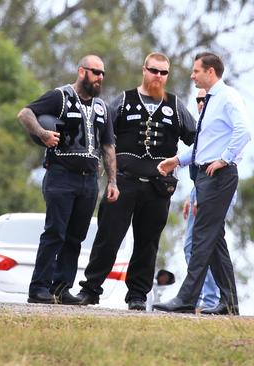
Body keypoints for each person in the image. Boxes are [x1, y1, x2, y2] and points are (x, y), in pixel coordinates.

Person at [74, 52, 196, 310]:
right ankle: (91, 289)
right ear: (144, 70)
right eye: (154, 70)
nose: (158, 76)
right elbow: (103, 133)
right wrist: (104, 171)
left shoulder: (175, 106)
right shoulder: (124, 100)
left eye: (163, 72)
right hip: (124, 182)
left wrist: (180, 165)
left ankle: (137, 295)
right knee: (108, 237)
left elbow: (196, 140)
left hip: (158, 187)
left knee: (148, 243)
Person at [154, 52, 251, 315]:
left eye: (196, 71)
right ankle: (229, 302)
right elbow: (202, 145)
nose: (192, 75)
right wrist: (176, 160)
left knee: (202, 236)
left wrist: (224, 159)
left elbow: (244, 131)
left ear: (210, 72)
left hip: (219, 177)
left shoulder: (228, 97)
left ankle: (187, 298)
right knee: (214, 238)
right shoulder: (210, 100)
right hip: (205, 176)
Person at [17, 55, 119, 305]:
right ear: (82, 71)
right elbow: (25, 113)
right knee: (55, 233)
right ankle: (39, 288)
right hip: (61, 176)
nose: (100, 78)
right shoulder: (59, 97)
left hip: (89, 181)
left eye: (103, 73)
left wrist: (113, 181)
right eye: (96, 72)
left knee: (76, 237)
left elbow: (108, 146)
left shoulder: (101, 108)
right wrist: (42, 134)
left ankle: (61, 288)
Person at [182, 88, 220, 310]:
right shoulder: (202, 127)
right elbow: (196, 159)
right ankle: (200, 298)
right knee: (191, 247)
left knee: (208, 246)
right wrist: (192, 194)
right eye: (197, 99)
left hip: (214, 190)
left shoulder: (216, 126)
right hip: (199, 189)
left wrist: (204, 197)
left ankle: (210, 300)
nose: (200, 103)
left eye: (205, 99)